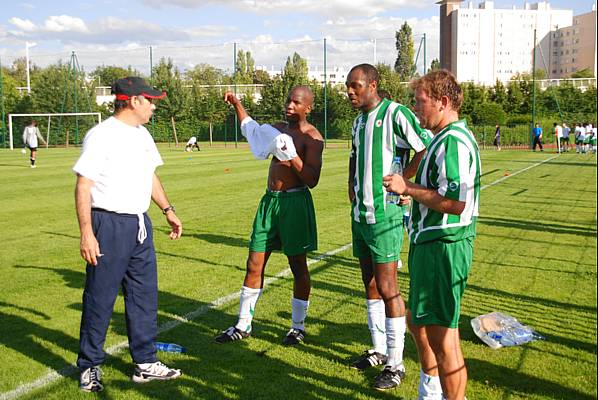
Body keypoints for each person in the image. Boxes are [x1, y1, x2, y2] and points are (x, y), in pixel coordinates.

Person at [73, 77, 183, 392]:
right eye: (151, 100)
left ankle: (145, 364)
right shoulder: (101, 136)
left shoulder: (143, 135)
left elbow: (150, 176)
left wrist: (167, 210)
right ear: (134, 101)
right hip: (108, 225)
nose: (154, 105)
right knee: (100, 299)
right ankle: (90, 366)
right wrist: (86, 234)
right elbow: (84, 185)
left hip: (139, 225)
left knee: (144, 296)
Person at [383, 69, 480, 400]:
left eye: (420, 101)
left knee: (443, 337)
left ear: (443, 101)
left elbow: (455, 202)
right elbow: (438, 191)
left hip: (444, 247)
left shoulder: (453, 141)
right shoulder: (442, 138)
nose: (416, 108)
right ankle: (431, 391)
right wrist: (416, 192)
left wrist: (406, 186)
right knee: (417, 323)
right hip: (431, 246)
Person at [215, 86, 324, 346]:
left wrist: (292, 156)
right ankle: (243, 325)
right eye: (288, 100)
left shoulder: (312, 137)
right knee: (254, 262)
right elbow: (250, 128)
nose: (289, 105)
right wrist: (236, 104)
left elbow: (312, 179)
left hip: (295, 203)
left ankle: (297, 327)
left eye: (296, 102)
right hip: (269, 202)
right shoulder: (278, 128)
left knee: (298, 265)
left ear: (308, 107)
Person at [346, 63, 432, 390]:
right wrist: (350, 184)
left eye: (356, 86)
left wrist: (404, 180)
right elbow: (355, 156)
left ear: (373, 84)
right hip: (361, 215)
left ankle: (396, 364)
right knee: (369, 285)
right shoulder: (357, 123)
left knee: (388, 287)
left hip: (386, 214)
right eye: (348, 87)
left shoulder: (395, 114)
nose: (350, 92)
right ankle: (379, 350)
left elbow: (425, 148)